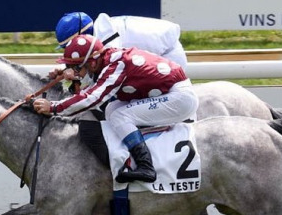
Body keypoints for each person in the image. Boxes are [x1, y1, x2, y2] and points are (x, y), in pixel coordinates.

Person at [32, 34, 199, 183]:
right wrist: (68, 73)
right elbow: (90, 87)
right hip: (170, 94)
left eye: (76, 67)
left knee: (120, 116)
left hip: (179, 99)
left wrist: (54, 108)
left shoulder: (116, 66)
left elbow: (92, 98)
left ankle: (146, 166)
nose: (73, 71)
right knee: (112, 108)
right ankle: (133, 151)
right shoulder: (105, 60)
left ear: (92, 62)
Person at [54, 11, 187, 68]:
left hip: (168, 58)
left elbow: (102, 74)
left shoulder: (107, 41)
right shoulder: (102, 31)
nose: (69, 52)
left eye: (68, 47)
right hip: (164, 48)